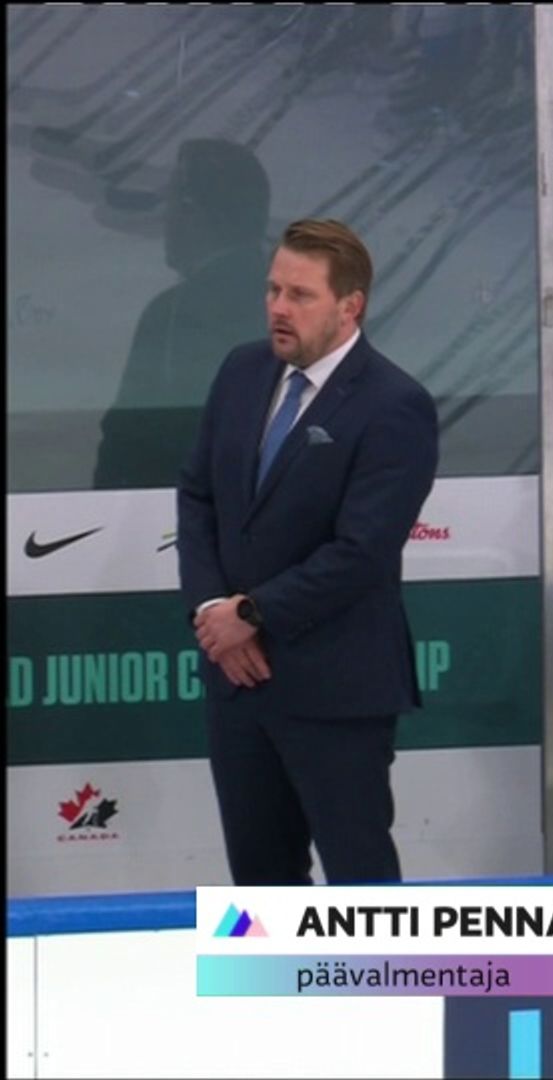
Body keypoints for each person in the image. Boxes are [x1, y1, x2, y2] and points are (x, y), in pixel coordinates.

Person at [177, 218, 440, 884]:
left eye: (300, 295)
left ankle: (377, 965)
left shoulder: (394, 405)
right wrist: (214, 613)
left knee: (359, 883)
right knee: (259, 889)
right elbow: (199, 496)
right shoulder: (241, 372)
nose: (278, 308)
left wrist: (252, 614)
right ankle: (275, 967)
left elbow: (361, 551)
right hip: (238, 684)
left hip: (335, 690)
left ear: (350, 306)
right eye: (273, 290)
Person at [96, 139, 271, 490]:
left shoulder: (173, 314)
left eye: (171, 201)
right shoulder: (306, 308)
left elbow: (128, 441)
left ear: (193, 212)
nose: (164, 217)